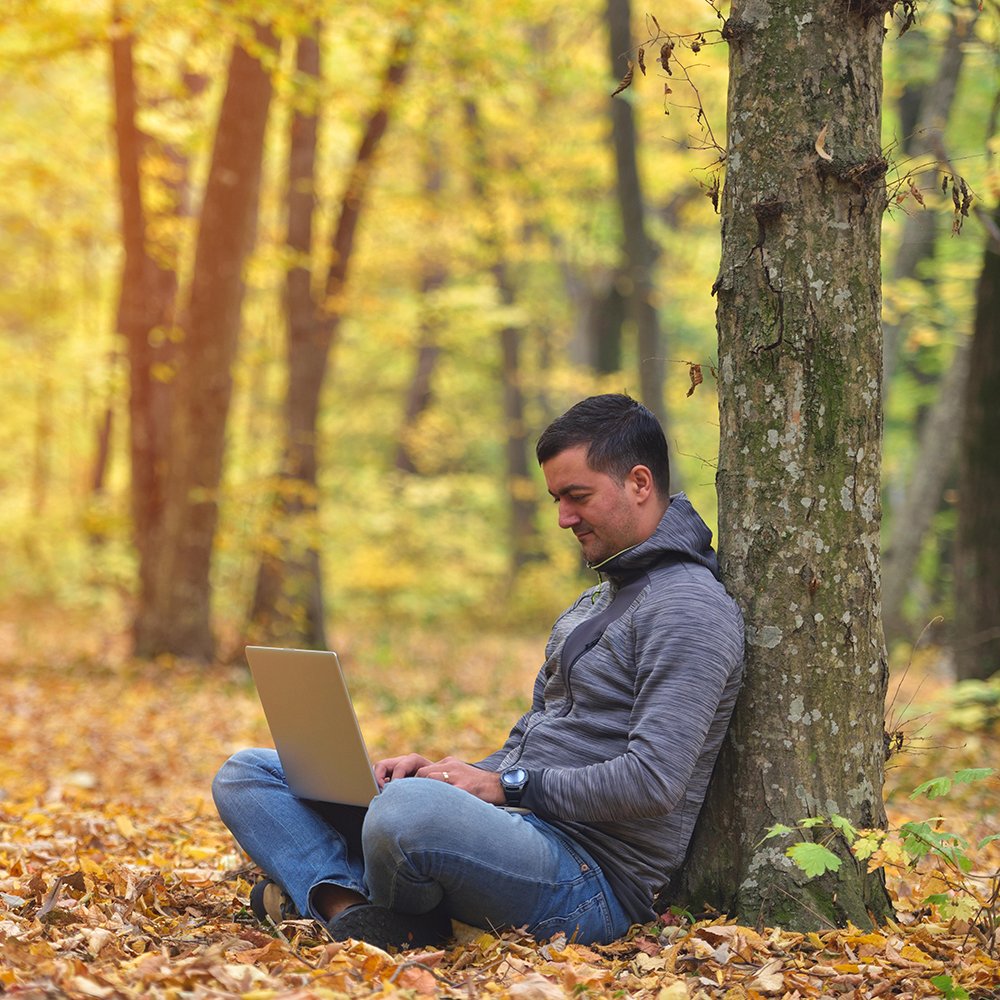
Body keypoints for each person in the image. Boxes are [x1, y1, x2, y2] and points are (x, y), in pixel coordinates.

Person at [213, 393, 744, 951]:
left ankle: (338, 895)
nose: (563, 518)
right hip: (515, 832)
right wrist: (452, 773)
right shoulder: (595, 602)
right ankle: (347, 907)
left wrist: (501, 786)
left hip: (588, 878)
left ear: (639, 483)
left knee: (404, 816)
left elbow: (653, 782)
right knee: (249, 773)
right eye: (556, 499)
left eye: (576, 496)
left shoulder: (689, 608)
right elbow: (534, 747)